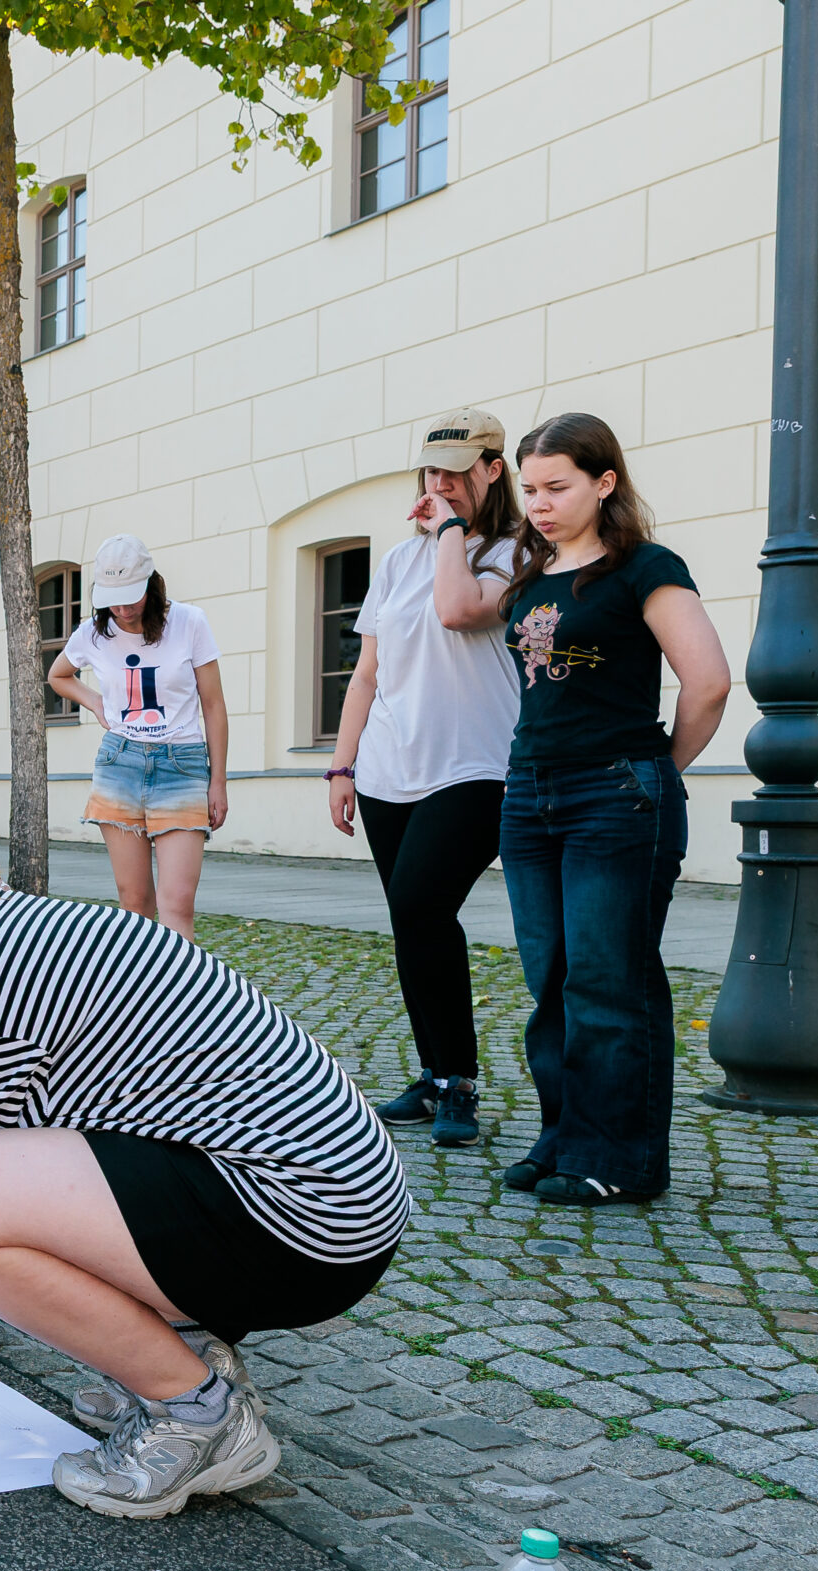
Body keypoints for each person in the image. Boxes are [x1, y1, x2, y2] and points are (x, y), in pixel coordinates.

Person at [0, 791, 406, 1521]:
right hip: (323, 1201)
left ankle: (198, 1412)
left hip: (302, 1221)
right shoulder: (8, 930)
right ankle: (184, 1362)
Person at [496, 414, 730, 1208]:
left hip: (616, 792)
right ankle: (564, 1133)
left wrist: (659, 767)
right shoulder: (530, 580)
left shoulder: (647, 568)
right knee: (552, 977)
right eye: (529, 489)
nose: (540, 503)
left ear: (604, 482)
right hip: (530, 791)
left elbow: (708, 682)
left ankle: (618, 1156)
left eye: (557, 486)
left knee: (609, 980)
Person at [326, 410, 527, 1149]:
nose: (438, 485)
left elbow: (458, 609)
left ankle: (461, 1082)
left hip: (474, 765)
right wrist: (343, 764)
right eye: (430, 473)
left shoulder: (516, 550)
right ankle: (437, 1073)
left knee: (422, 901)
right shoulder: (397, 562)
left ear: (492, 469)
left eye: (456, 472)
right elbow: (367, 674)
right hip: (388, 769)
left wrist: (448, 532)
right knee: (413, 922)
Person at [45, 534, 226, 938]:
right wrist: (94, 702)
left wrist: (218, 781)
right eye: (113, 599)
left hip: (182, 765)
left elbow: (213, 705)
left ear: (152, 584)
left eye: (132, 597)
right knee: (134, 905)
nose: (123, 609)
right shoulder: (92, 633)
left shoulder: (189, 623)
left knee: (177, 904)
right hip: (119, 764)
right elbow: (58, 675)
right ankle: (142, 1000)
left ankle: (181, 1000)